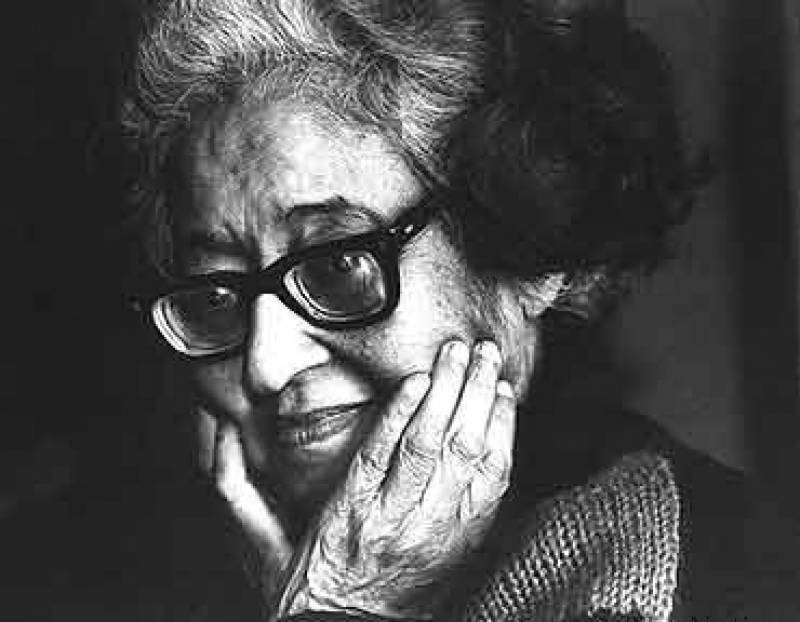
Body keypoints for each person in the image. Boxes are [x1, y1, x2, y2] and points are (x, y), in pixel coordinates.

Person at [93, 0, 798, 620]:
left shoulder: (710, 577)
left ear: (530, 249)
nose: (265, 366)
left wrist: (341, 608)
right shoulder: (147, 572)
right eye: (216, 294)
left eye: (339, 266)